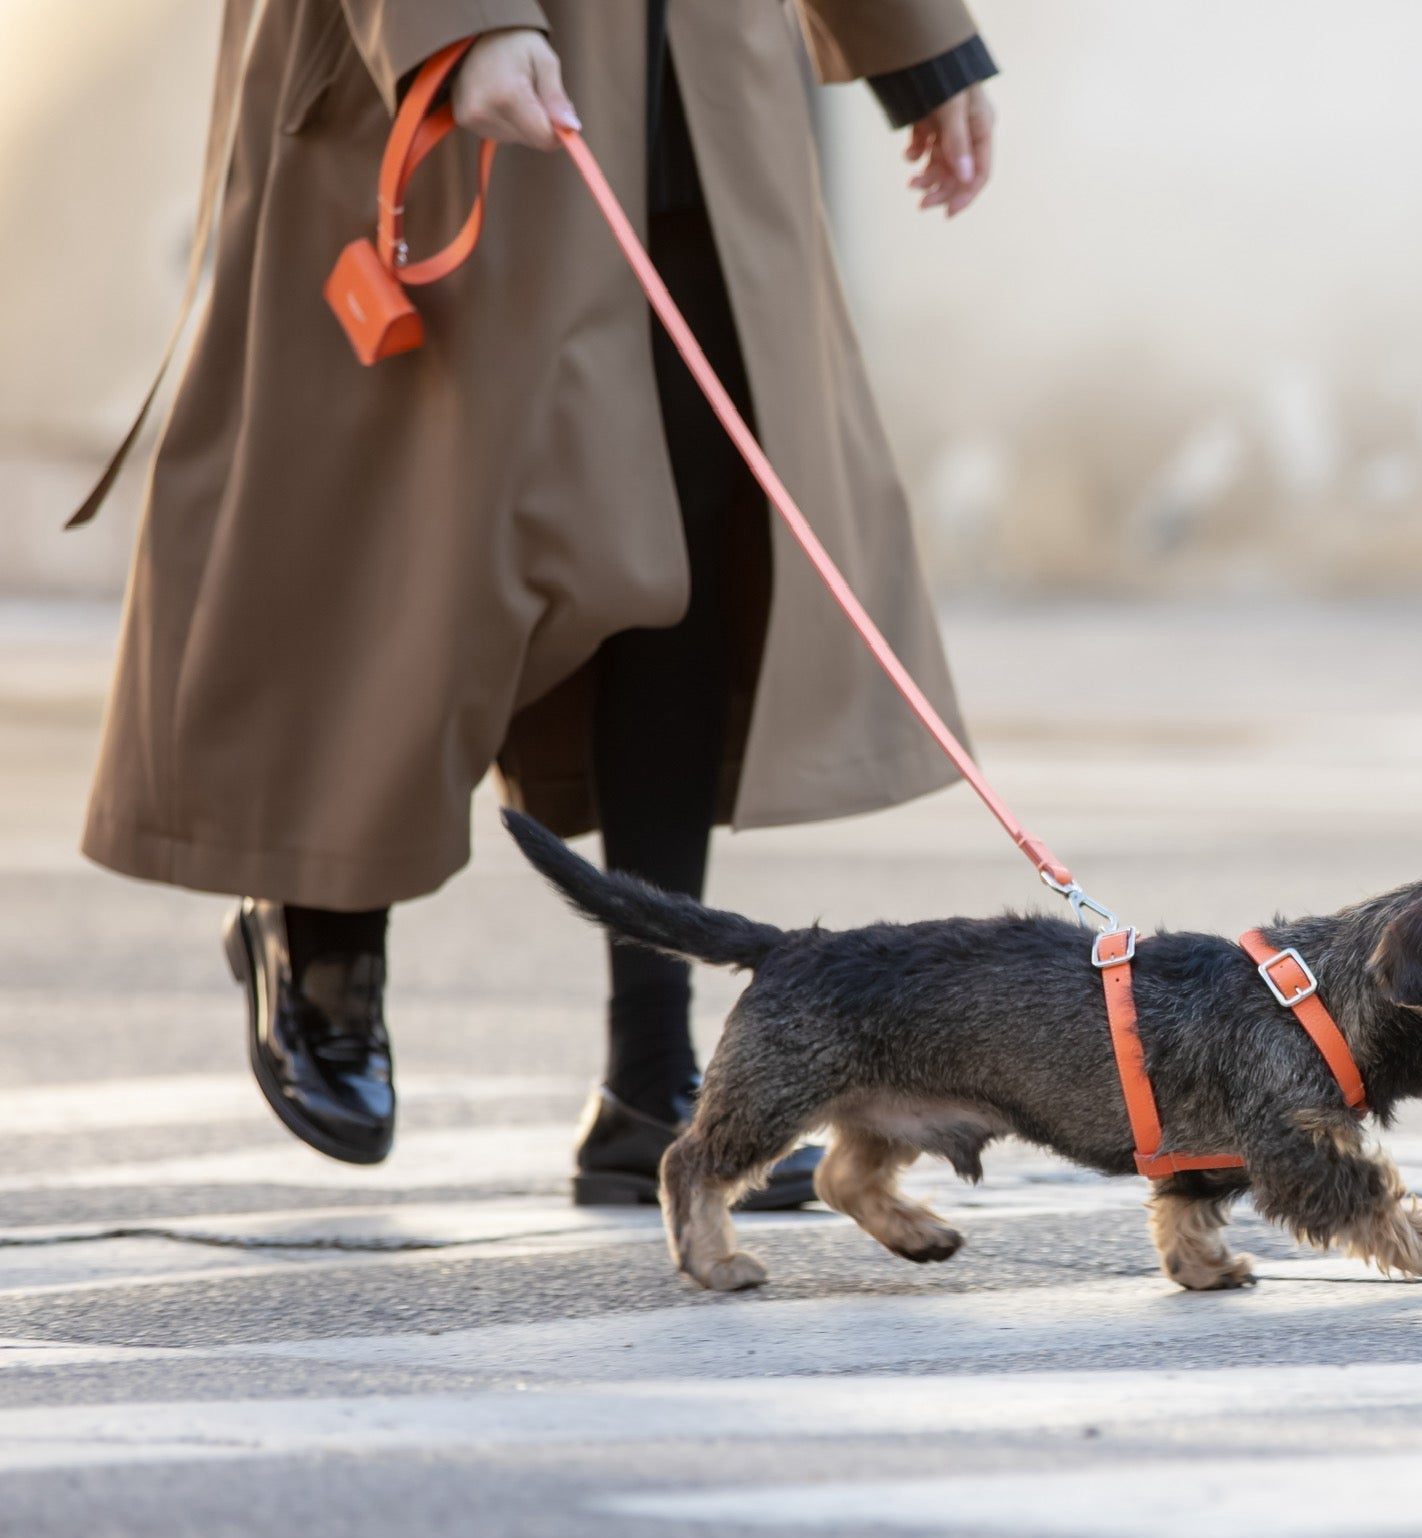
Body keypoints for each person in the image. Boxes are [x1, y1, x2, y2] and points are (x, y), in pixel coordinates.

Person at [75, 0, 996, 1208]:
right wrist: (461, 20)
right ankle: (324, 907)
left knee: (690, 523)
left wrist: (912, 34)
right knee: (405, 529)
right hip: (426, 59)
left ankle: (657, 1083)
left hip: (700, 68)